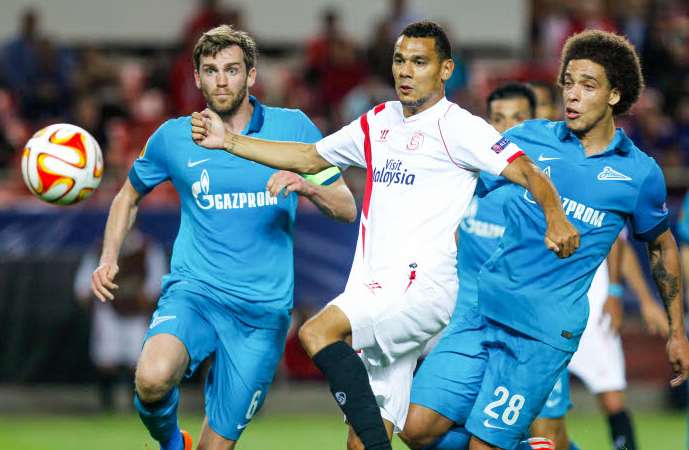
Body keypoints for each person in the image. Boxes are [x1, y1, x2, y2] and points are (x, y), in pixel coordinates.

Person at [191, 20, 579, 450]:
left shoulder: (459, 127)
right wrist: (229, 142)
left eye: (419, 62)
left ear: (446, 69)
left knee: (317, 333)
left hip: (419, 284)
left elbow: (527, 170)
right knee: (367, 439)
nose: (405, 71)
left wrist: (556, 216)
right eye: (399, 60)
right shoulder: (379, 120)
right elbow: (308, 156)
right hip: (376, 287)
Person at [399, 29, 689, 450]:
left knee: (485, 446)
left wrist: (677, 330)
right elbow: (456, 188)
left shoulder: (639, 174)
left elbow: (660, 246)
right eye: (568, 83)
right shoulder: (529, 138)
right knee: (415, 430)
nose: (572, 95)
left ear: (614, 95)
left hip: (540, 333)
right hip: (483, 312)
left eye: (588, 86)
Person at [91, 25, 357, 450]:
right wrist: (109, 257)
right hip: (196, 293)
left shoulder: (294, 130)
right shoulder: (175, 137)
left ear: (251, 76)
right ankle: (171, 444)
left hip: (262, 313)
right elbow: (128, 195)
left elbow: (346, 208)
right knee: (152, 379)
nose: (221, 80)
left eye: (232, 70)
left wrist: (307, 187)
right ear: (196, 77)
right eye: (211, 70)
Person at [532, 80, 670, 450]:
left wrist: (619, 294)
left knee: (610, 394)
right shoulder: (528, 158)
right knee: (538, 417)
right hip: (537, 301)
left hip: (589, 299)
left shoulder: (607, 165)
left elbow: (618, 244)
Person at [75, 228, 167, 411]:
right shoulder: (99, 248)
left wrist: (147, 298)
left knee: (138, 361)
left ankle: (139, 406)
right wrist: (91, 295)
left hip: (138, 314)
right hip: (109, 309)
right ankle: (106, 405)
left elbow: (158, 281)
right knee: (106, 359)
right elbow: (84, 287)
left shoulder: (148, 248)